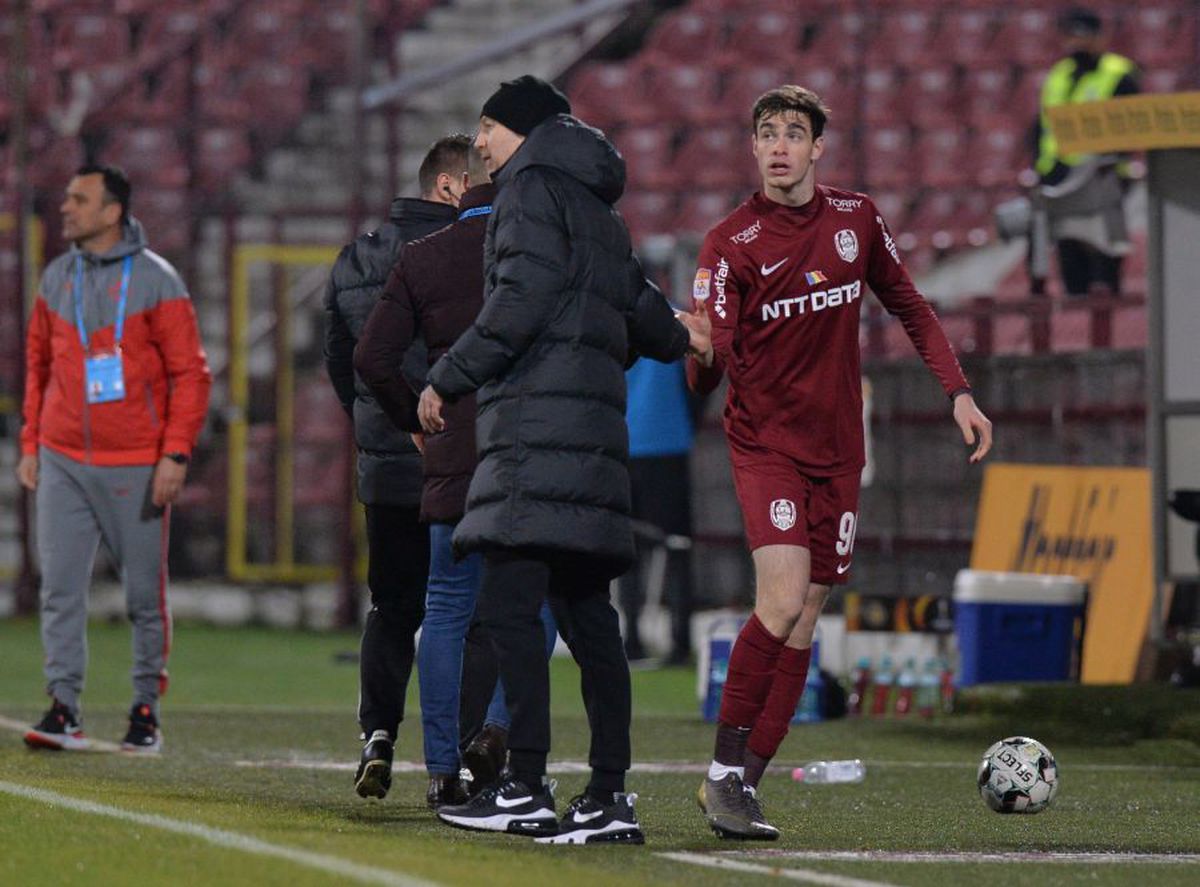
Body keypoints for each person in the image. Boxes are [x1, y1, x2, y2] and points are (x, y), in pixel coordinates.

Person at [678, 85, 992, 840]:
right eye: (767, 132)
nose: (780, 144)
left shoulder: (856, 219)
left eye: (794, 132)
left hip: (838, 449)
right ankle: (720, 772)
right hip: (765, 445)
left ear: (819, 147)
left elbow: (911, 304)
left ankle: (745, 786)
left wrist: (958, 391)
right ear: (753, 149)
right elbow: (709, 363)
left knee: (807, 617)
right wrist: (696, 350)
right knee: (781, 601)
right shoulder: (730, 243)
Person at [416, 75, 707, 844]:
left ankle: (526, 785)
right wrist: (683, 334)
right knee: (591, 622)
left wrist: (446, 376)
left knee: (511, 609)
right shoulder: (599, 210)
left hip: (533, 445)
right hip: (592, 458)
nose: (478, 143)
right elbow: (641, 309)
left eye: (486, 127)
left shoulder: (526, 193)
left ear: (521, 129)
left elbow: (516, 305)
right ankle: (609, 792)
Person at [355, 146, 558, 809]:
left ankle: (440, 772)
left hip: (449, 452)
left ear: (458, 187)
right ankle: (496, 729)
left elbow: (370, 355)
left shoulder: (425, 256)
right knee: (537, 600)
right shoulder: (536, 253)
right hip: (524, 451)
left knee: (443, 607)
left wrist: (412, 414)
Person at [19, 164, 212, 753]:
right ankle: (62, 707)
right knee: (59, 589)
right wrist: (31, 443)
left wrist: (175, 453)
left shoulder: (157, 281)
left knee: (142, 599)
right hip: (63, 459)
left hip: (137, 461)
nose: (66, 209)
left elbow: (190, 374)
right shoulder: (56, 277)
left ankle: (145, 711)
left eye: (80, 200)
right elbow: (37, 367)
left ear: (111, 212)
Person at [323, 135, 467, 799]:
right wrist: (425, 421)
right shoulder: (472, 251)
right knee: (460, 607)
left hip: (384, 462)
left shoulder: (359, 255)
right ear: (448, 187)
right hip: (457, 460)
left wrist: (380, 425)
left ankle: (377, 733)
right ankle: (459, 754)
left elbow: (340, 359)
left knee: (392, 604)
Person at [1030, 6, 1139, 296]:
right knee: (1069, 252)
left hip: (1102, 178)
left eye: (1083, 36)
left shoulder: (1119, 74)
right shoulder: (1058, 75)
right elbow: (1041, 127)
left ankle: (1109, 311)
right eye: (1071, 36)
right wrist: (1042, 171)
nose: (1076, 43)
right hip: (1059, 176)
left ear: (1099, 37)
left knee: (1106, 252)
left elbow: (1129, 129)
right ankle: (1076, 311)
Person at [618, 355, 696, 666]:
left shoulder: (607, 315)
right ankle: (680, 643)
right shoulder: (676, 319)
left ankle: (632, 641)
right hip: (668, 440)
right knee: (677, 546)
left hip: (624, 441)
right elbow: (698, 382)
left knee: (626, 548)